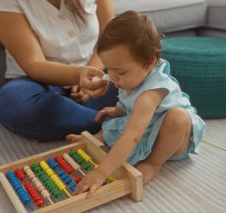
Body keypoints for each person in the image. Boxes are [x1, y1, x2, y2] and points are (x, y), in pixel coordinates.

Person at [67, 10, 206, 196]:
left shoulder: (150, 94)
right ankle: (96, 139)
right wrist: (117, 109)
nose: (113, 77)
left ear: (149, 64)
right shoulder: (133, 73)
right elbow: (129, 103)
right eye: (109, 68)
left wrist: (101, 173)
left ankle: (153, 163)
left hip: (171, 138)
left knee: (177, 119)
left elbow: (132, 136)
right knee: (115, 119)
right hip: (146, 122)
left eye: (120, 72)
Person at [0, 0, 119, 141]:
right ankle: (119, 124)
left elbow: (109, 35)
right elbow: (34, 64)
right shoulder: (2, 3)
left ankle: (102, 120)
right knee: (14, 103)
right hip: (36, 83)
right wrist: (78, 75)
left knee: (137, 71)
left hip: (96, 71)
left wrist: (91, 76)